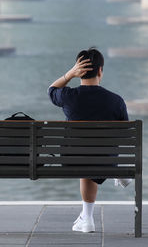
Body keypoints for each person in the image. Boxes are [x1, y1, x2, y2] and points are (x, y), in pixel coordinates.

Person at [48, 47, 131, 233]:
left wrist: (69, 74)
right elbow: (125, 133)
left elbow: (51, 90)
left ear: (79, 72)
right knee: (97, 152)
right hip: (105, 159)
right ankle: (114, 169)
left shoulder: (68, 97)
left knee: (84, 155)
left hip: (72, 159)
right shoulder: (116, 100)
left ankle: (87, 218)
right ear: (100, 70)